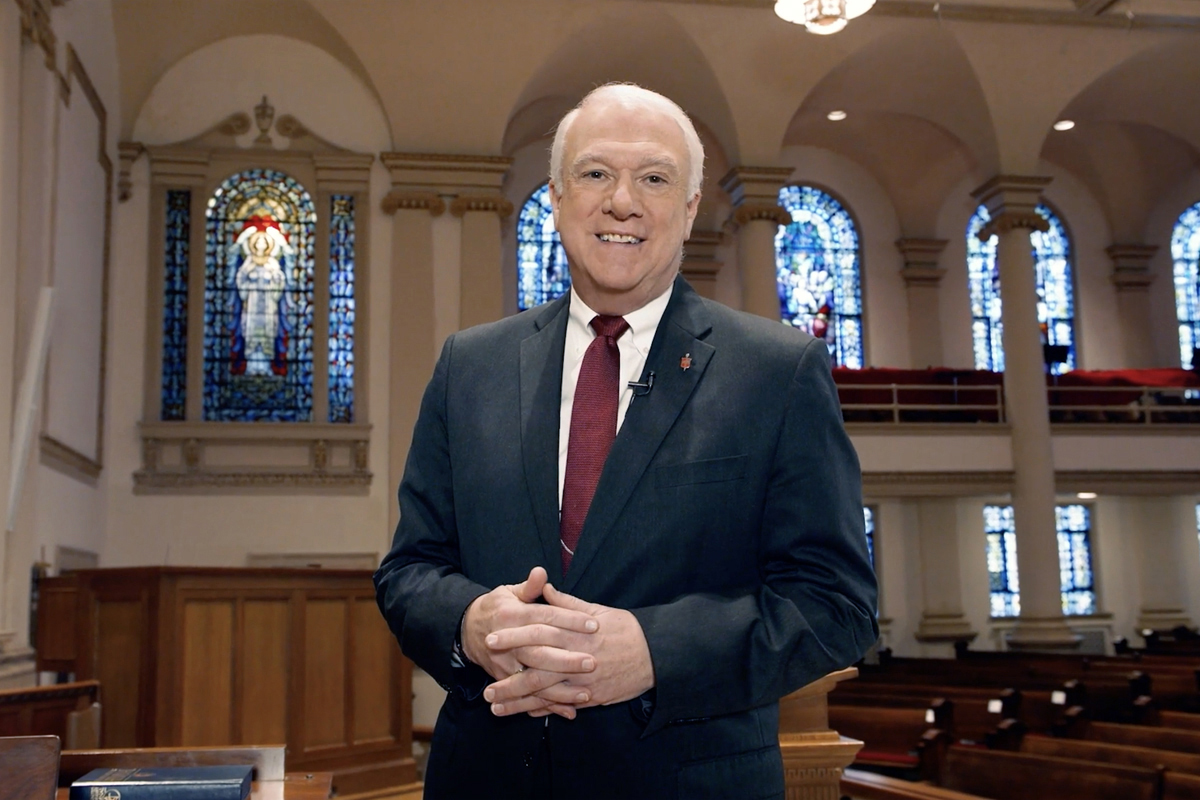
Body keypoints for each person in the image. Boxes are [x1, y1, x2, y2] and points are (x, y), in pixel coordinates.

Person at [374, 83, 877, 800]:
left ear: (691, 207)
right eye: (596, 173)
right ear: (554, 195)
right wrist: (469, 624)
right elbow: (409, 571)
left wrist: (653, 653)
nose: (623, 202)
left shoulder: (776, 372)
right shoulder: (470, 367)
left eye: (654, 177)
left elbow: (836, 604)